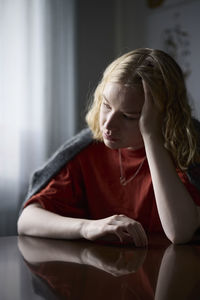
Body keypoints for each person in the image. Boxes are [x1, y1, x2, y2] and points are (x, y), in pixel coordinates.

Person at [18, 48, 200, 247]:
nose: (108, 125)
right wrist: (87, 228)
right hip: (107, 271)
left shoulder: (188, 151)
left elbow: (179, 232)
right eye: (106, 105)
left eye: (128, 116)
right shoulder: (88, 149)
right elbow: (27, 220)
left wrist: (152, 136)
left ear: (163, 115)